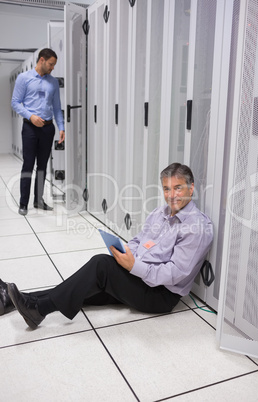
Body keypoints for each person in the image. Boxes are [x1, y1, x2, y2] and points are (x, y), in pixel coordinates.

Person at [0, 163, 213, 329]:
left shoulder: (196, 227)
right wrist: (127, 253)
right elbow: (140, 239)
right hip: (139, 277)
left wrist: (133, 267)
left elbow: (174, 273)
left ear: (191, 187)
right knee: (82, 287)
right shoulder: (161, 212)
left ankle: (38, 311)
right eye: (167, 189)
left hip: (160, 295)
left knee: (100, 265)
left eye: (178, 188)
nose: (171, 195)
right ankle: (16, 301)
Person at [11, 48, 65, 216]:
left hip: (48, 129)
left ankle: (38, 200)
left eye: (54, 65)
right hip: (30, 127)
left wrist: (61, 127)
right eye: (51, 64)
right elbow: (15, 102)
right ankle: (23, 203)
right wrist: (31, 116)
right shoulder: (24, 78)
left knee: (42, 166)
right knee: (28, 165)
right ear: (42, 60)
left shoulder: (53, 82)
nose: (52, 68)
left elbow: (56, 107)